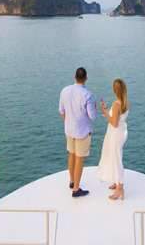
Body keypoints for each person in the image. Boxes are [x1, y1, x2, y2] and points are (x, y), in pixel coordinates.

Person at [58, 67, 97, 198]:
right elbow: (92, 116)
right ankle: (76, 189)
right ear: (85, 78)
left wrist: (68, 122)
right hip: (82, 132)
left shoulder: (64, 91)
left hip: (69, 130)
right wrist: (95, 107)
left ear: (74, 77)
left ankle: (72, 181)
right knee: (80, 159)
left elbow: (61, 112)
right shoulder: (88, 95)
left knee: (71, 155)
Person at [97, 78, 129, 200]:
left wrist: (105, 112)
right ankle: (116, 183)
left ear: (115, 90)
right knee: (116, 156)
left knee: (116, 159)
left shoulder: (116, 104)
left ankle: (120, 189)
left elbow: (114, 123)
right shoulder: (125, 102)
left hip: (115, 134)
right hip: (121, 132)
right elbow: (119, 120)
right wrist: (107, 111)